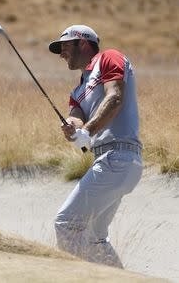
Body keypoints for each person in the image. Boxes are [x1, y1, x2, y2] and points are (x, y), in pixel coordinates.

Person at [48, 25, 143, 268]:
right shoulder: (78, 90)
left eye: (65, 46)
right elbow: (76, 118)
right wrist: (71, 128)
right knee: (94, 238)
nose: (61, 54)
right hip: (112, 162)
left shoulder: (108, 58)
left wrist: (87, 131)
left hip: (119, 157)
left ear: (83, 43)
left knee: (66, 224)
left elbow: (115, 97)